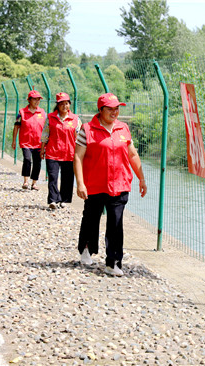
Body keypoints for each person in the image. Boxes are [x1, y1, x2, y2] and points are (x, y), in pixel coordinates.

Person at [74, 93, 147, 277]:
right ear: (100, 110)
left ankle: (113, 262)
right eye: (110, 109)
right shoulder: (87, 129)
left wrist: (142, 178)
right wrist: (80, 183)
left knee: (115, 223)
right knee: (91, 218)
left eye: (117, 108)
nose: (115, 112)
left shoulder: (123, 128)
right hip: (95, 184)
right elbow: (78, 156)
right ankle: (86, 249)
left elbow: (132, 155)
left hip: (119, 183)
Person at [40, 92, 82, 209]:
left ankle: (64, 199)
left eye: (67, 103)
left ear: (70, 105)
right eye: (62, 104)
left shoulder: (75, 119)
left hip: (69, 153)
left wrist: (80, 153)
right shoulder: (50, 117)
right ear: (57, 105)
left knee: (67, 178)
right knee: (53, 177)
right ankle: (53, 200)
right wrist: (42, 149)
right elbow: (45, 133)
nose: (65, 106)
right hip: (53, 152)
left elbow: (79, 137)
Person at [12, 90, 46, 190]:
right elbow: (16, 127)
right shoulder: (21, 112)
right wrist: (14, 141)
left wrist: (46, 143)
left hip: (38, 143)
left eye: (38, 99)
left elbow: (46, 128)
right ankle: (26, 181)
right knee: (27, 159)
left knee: (37, 162)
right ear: (29, 100)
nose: (37, 101)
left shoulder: (42, 112)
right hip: (25, 142)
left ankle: (34, 183)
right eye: (34, 99)